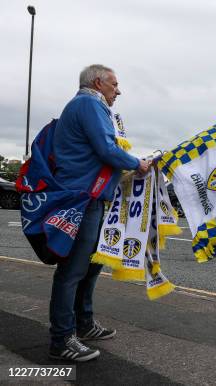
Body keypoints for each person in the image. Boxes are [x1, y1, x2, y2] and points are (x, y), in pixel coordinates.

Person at [48, 65, 150, 362]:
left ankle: (83, 324)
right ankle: (61, 339)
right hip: (83, 198)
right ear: (98, 82)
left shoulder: (84, 105)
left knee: (91, 267)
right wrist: (137, 163)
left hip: (90, 198)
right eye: (114, 84)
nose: (118, 91)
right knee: (72, 271)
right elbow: (106, 149)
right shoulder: (90, 104)